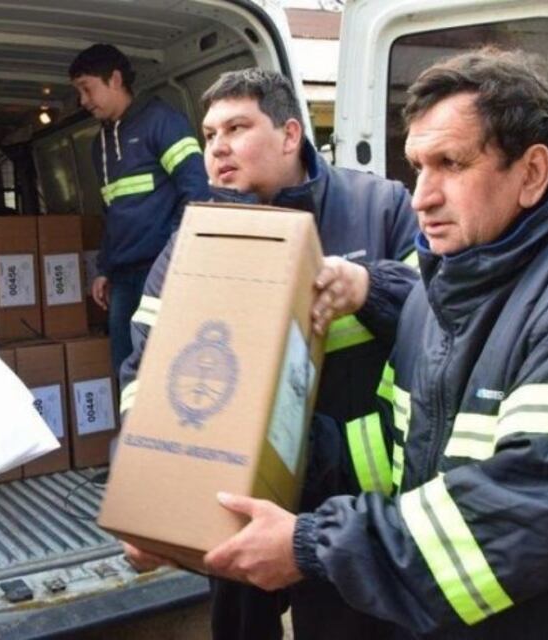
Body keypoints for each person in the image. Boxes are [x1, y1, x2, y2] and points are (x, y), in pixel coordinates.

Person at [202, 49, 548, 639]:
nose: (420, 196)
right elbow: (392, 452)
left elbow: (539, 502)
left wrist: (314, 546)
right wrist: (219, 493)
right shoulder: (447, 284)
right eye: (416, 167)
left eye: (451, 164)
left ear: (532, 173)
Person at [118, 68, 419, 639]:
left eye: (236, 127)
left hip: (351, 498)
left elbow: (446, 319)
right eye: (209, 135)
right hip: (239, 500)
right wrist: (143, 487)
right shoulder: (194, 241)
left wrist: (367, 287)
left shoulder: (378, 207)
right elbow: (146, 371)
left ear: (288, 135)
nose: (218, 147)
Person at [69, 44, 210, 375]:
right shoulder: (98, 145)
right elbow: (113, 213)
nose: (83, 101)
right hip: (122, 277)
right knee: (126, 366)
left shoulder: (163, 123)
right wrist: (104, 267)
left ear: (115, 79)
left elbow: (197, 191)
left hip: (160, 271)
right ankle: (130, 427)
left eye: (87, 89)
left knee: (166, 365)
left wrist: (176, 253)